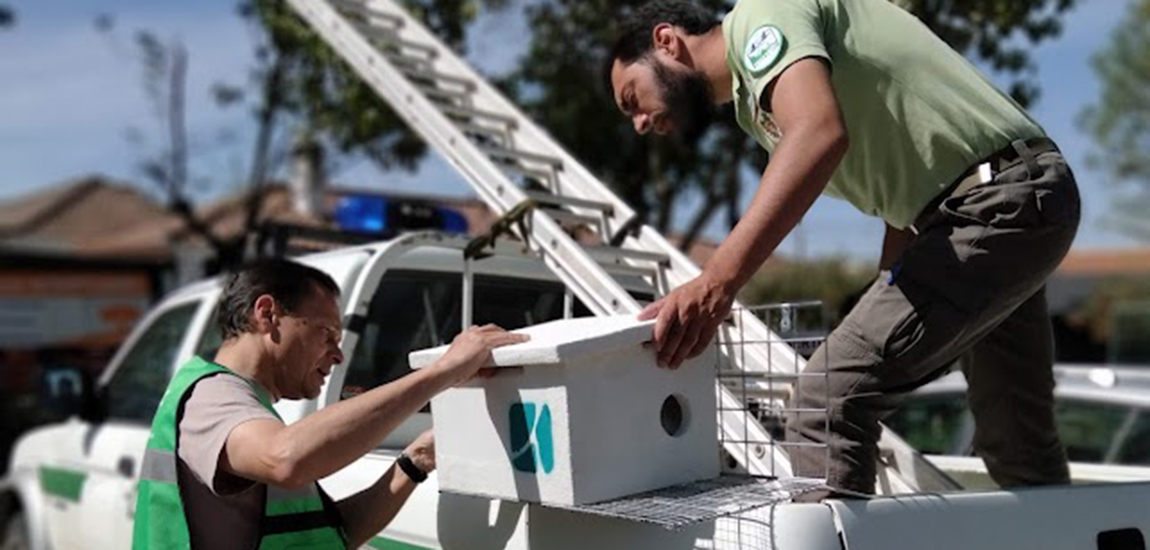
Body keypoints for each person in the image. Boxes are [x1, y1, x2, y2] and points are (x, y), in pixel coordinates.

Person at [604, 0, 1079, 498]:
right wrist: (887, 298)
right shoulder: (758, 109)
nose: (637, 123)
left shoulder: (762, 16)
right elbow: (906, 202)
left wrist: (716, 281)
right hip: (999, 210)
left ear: (666, 41)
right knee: (1018, 443)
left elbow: (818, 133)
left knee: (824, 403)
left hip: (994, 205)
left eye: (631, 98)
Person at [132, 259, 527, 548]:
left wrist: (414, 462)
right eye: (327, 334)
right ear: (267, 315)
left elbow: (330, 535)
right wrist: (444, 371)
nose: (338, 356)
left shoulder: (247, 407)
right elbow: (285, 459)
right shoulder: (210, 394)